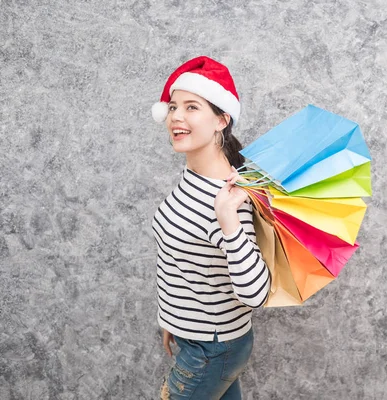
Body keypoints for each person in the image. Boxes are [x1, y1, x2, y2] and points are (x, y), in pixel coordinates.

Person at [150, 56, 271, 400]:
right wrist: (173, 319)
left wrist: (230, 222)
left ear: (221, 119)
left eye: (192, 107)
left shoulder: (228, 199)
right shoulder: (195, 176)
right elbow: (183, 257)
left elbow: (256, 294)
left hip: (212, 347)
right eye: (173, 106)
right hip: (198, 338)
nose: (176, 116)